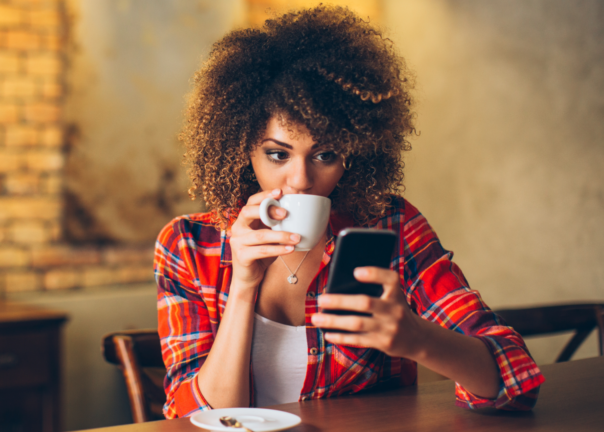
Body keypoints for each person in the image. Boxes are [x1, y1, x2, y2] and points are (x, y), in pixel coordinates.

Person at [154, 5, 544, 419]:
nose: (301, 179)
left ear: (354, 154)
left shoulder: (388, 226)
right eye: (277, 154)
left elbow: (516, 382)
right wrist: (243, 286)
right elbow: (193, 419)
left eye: (325, 154)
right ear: (241, 147)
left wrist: (415, 338)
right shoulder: (189, 246)